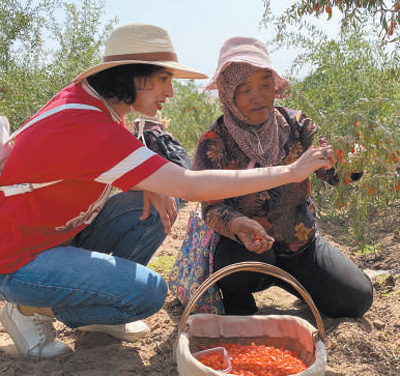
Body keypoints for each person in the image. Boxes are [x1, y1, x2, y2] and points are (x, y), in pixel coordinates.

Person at [0, 24, 334, 360]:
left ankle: (97, 312)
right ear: (135, 76)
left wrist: (151, 184)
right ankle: (30, 307)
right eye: (163, 79)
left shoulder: (98, 107)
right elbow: (191, 184)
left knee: (152, 206)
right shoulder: (87, 126)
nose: (171, 91)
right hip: (19, 258)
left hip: (60, 237)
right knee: (147, 295)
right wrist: (290, 172)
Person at [193, 36, 373, 318]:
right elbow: (211, 207)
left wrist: (350, 160)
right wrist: (239, 223)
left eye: (265, 85)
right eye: (245, 89)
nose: (259, 96)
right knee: (232, 261)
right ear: (228, 93)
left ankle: (301, 284)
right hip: (249, 250)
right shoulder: (215, 142)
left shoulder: (297, 125)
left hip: (301, 246)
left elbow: (334, 174)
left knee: (356, 298)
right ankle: (239, 304)